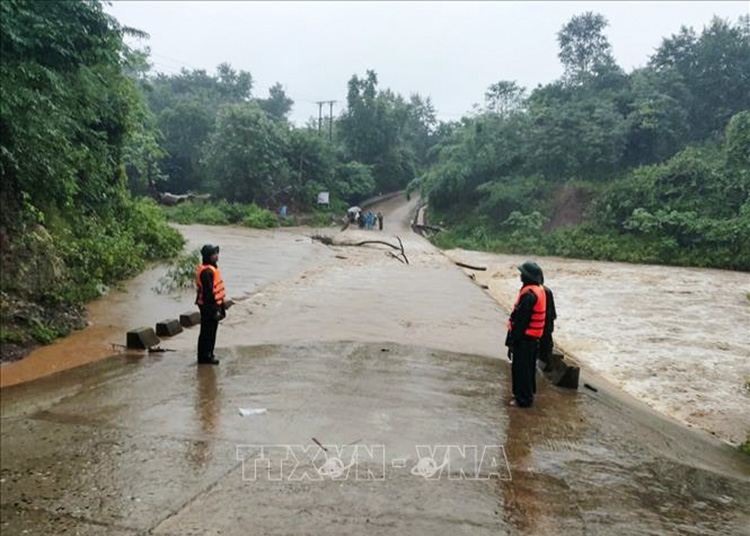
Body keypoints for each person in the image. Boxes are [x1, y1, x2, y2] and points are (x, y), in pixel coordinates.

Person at [505, 261, 546, 408]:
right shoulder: (538, 291)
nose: (521, 276)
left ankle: (522, 399)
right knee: (527, 370)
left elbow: (521, 322)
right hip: (532, 339)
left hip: (524, 339)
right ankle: (526, 395)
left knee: (521, 370)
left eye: (523, 274)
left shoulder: (529, 295)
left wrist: (512, 340)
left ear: (528, 277)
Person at [195, 244, 226, 365]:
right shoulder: (207, 272)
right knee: (207, 332)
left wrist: (221, 307)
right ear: (209, 256)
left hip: (211, 305)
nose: (216, 256)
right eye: (214, 254)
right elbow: (208, 294)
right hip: (209, 306)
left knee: (210, 332)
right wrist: (215, 311)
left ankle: (208, 354)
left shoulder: (210, 269)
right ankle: (205, 356)